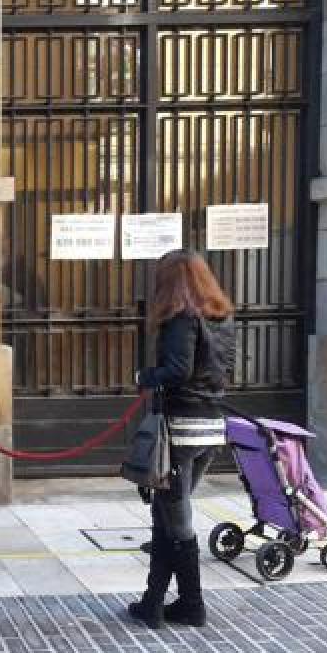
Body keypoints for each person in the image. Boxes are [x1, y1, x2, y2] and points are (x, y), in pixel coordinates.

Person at [128, 250, 236, 630]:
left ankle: (192, 604)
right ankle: (153, 603)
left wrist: (145, 377)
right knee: (165, 513)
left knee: (177, 521)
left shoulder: (182, 318)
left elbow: (177, 370)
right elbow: (225, 370)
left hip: (182, 428)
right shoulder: (222, 317)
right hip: (211, 427)